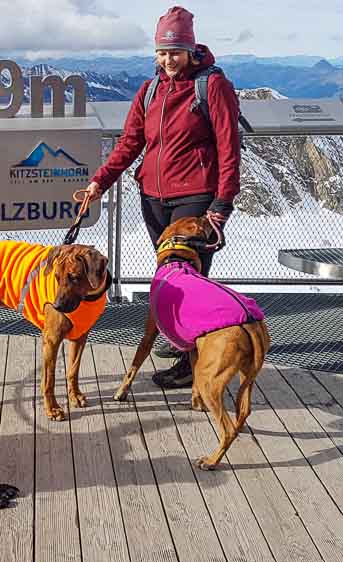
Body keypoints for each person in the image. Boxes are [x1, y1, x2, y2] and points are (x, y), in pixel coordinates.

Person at [84, 5, 242, 389]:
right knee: (169, 278)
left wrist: (222, 203)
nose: (168, 60)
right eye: (161, 52)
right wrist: (100, 181)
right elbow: (131, 142)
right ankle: (184, 340)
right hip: (154, 197)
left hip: (195, 197)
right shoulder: (151, 89)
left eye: (174, 52)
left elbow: (229, 146)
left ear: (190, 50)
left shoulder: (211, 85)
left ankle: (193, 365)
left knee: (188, 279)